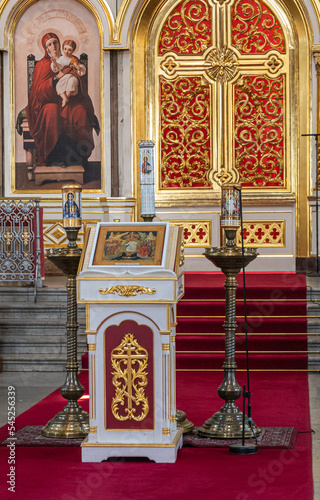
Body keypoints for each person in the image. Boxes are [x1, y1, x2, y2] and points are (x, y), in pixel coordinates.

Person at [26, 32, 99, 167]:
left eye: (55, 43)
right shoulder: (42, 65)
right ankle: (51, 157)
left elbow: (79, 79)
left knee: (81, 113)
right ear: (45, 48)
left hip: (71, 100)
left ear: (60, 43)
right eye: (49, 44)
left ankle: (79, 157)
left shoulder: (70, 59)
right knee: (51, 111)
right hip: (49, 102)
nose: (53, 46)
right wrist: (57, 77)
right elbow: (39, 92)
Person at [51, 39, 86, 108]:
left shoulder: (74, 59)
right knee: (59, 85)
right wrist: (55, 63)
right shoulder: (61, 59)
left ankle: (66, 98)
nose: (66, 51)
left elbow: (82, 69)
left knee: (72, 82)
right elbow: (57, 68)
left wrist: (78, 67)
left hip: (73, 76)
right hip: (64, 76)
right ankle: (65, 98)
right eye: (65, 49)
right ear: (63, 48)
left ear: (73, 51)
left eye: (69, 50)